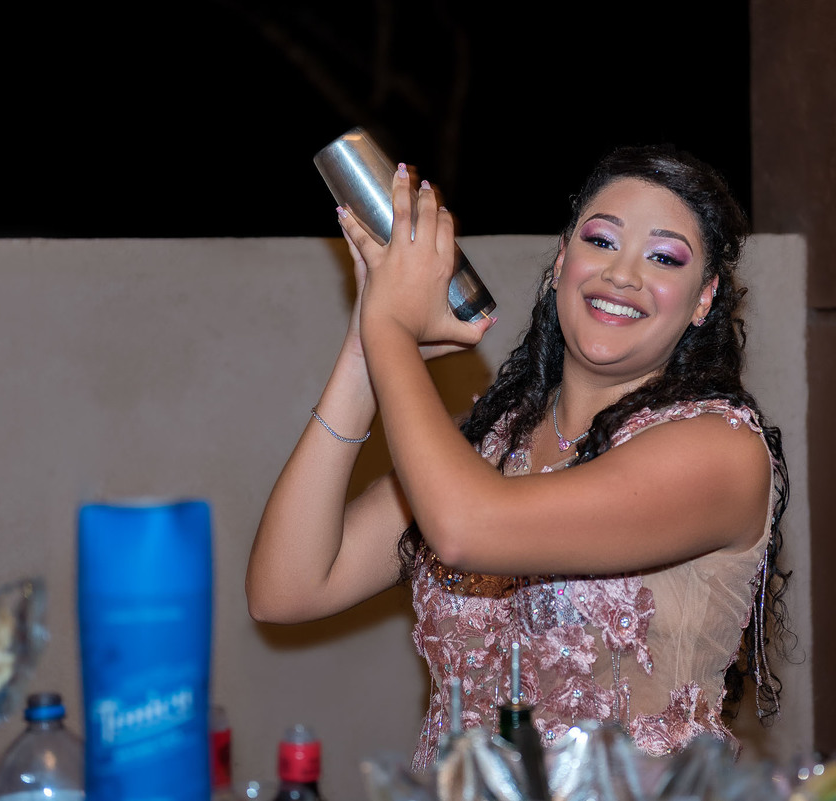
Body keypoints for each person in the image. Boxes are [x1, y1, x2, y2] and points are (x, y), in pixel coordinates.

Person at [246, 143, 791, 768]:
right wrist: (364, 347)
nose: (622, 275)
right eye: (602, 241)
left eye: (663, 258)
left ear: (703, 299)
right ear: (561, 262)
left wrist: (390, 330)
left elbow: (466, 529)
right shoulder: (486, 447)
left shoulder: (720, 451)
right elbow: (285, 590)